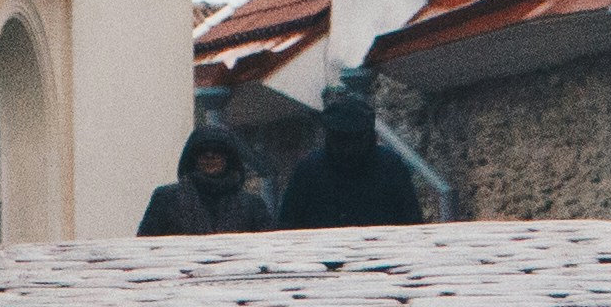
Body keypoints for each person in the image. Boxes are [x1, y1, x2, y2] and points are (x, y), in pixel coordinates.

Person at [276, 86, 430, 228]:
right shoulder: (310, 171)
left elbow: (411, 223)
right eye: (341, 140)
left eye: (354, 140)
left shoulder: (390, 167)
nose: (348, 149)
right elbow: (289, 226)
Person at [137, 123, 280, 235]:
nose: (210, 156)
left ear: (229, 158)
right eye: (203, 151)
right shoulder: (167, 199)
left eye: (218, 151)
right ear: (193, 157)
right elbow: (146, 249)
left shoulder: (252, 206)